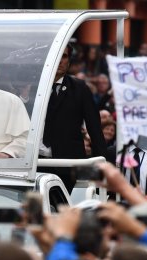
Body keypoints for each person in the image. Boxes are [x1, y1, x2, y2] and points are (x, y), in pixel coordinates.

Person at [40, 44, 106, 193]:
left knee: (63, 208)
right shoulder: (34, 86)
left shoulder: (79, 88)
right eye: (56, 56)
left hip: (69, 164)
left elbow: (94, 128)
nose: (60, 61)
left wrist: (102, 165)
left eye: (64, 56)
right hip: (37, 161)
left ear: (69, 60)